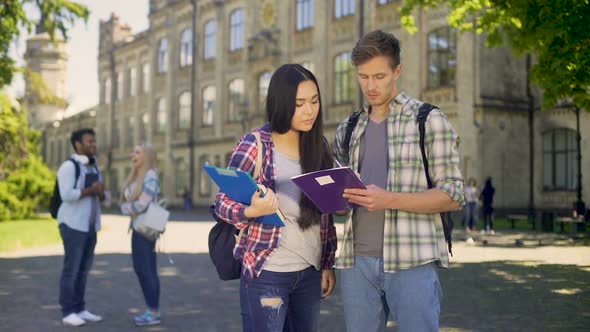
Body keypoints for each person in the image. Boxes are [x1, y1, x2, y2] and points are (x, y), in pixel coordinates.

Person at [333, 30, 464, 332]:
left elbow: (454, 194)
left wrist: (389, 199)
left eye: (379, 76)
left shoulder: (429, 121)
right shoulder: (348, 128)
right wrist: (335, 202)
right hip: (356, 263)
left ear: (397, 71)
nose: (370, 86)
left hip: (412, 260)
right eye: (363, 77)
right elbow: (343, 202)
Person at [214, 64, 337, 332]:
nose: (310, 110)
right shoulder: (255, 144)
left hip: (310, 273)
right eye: (300, 103)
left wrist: (327, 263)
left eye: (314, 101)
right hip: (267, 272)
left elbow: (324, 217)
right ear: (282, 104)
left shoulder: (320, 147)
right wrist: (251, 210)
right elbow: (222, 203)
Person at [57, 128, 105, 326]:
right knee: (72, 269)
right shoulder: (69, 167)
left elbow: (101, 196)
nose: (94, 145)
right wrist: (90, 190)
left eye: (94, 141)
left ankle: (80, 308)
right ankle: (68, 311)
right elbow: (66, 194)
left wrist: (101, 192)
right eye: (89, 142)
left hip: (90, 226)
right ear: (78, 144)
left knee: (84, 270)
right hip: (72, 225)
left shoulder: (94, 168)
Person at [120, 143, 162, 326]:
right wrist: (129, 207)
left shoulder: (150, 174)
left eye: (137, 152)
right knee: (143, 269)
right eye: (133, 151)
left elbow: (143, 203)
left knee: (146, 270)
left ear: (147, 156)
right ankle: (151, 309)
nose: (133, 155)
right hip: (138, 227)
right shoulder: (137, 175)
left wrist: (125, 207)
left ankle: (153, 312)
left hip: (145, 228)